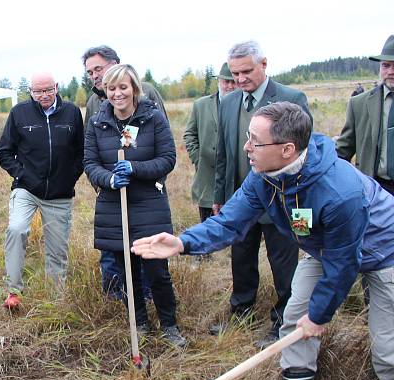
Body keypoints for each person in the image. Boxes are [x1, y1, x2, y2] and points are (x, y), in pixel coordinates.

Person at [133, 102, 394, 380]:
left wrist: (320, 316)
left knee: (386, 349)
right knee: (293, 320)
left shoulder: (340, 192)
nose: (246, 147)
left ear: (287, 149)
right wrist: (183, 243)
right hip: (322, 247)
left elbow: (344, 265)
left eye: (255, 141)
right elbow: (231, 220)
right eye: (248, 137)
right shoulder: (265, 177)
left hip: (382, 252)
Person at [212, 40, 310, 348]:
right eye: (235, 73)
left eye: (246, 72)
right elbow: (224, 154)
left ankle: (283, 321)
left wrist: (302, 211)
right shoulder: (228, 103)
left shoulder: (290, 99)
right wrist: (220, 196)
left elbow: (304, 156)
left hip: (282, 202)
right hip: (242, 201)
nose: (240, 79)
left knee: (284, 265)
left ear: (264, 64)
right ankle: (241, 311)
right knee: (240, 258)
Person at [84, 64, 185, 347]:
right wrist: (109, 179)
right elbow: (90, 164)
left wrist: (135, 168)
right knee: (126, 270)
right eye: (112, 88)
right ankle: (139, 321)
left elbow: (167, 159)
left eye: (123, 87)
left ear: (134, 88)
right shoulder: (97, 123)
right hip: (113, 208)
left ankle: (169, 325)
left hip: (148, 205)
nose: (117, 94)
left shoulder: (152, 118)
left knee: (156, 271)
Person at [82, 45, 165, 302]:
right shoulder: (94, 102)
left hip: (145, 192)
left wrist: (152, 181)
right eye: (90, 72)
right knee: (112, 250)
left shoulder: (146, 91)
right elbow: (90, 150)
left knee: (146, 252)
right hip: (111, 194)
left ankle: (149, 299)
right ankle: (117, 299)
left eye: (99, 68)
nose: (95, 75)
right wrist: (103, 182)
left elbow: (162, 145)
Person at [0, 72, 84, 309]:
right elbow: (4, 152)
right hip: (26, 188)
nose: (43, 95)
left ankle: (56, 300)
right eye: (38, 91)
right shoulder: (19, 113)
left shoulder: (72, 113)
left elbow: (81, 152)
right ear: (31, 92)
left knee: (57, 248)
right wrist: (22, 174)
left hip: (60, 193)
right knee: (16, 229)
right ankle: (13, 291)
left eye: (48, 90)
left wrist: (69, 179)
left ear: (56, 87)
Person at [336, 35, 394, 196]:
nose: (390, 72)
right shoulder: (359, 104)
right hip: (376, 190)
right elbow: (343, 150)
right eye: (386, 66)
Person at [184, 63, 236, 224]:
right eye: (225, 81)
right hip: (207, 179)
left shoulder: (245, 105)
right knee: (208, 228)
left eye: (233, 81)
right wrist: (199, 160)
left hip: (236, 179)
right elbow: (190, 134)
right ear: (219, 81)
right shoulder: (201, 105)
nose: (229, 86)